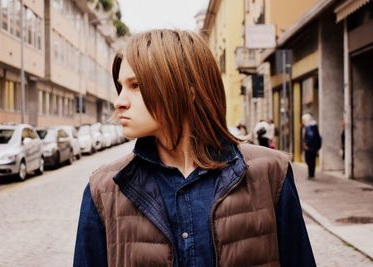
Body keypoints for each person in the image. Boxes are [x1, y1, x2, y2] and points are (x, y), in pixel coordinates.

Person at [73, 29, 315, 267]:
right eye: (121, 87)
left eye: (135, 85)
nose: (119, 102)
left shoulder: (270, 172)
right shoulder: (104, 189)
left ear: (188, 90)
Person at [302, 113, 322, 179]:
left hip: (309, 147)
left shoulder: (309, 126)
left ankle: (311, 174)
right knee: (312, 160)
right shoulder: (314, 125)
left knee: (309, 160)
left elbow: (311, 136)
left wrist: (306, 144)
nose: (303, 121)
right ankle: (312, 174)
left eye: (303, 119)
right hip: (314, 147)